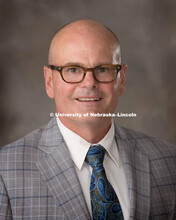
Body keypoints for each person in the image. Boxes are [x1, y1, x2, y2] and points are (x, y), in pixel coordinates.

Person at [0, 19, 175, 220]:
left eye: (102, 69)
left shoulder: (169, 161)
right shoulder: (5, 171)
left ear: (122, 79)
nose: (89, 83)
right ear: (49, 81)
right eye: (73, 70)